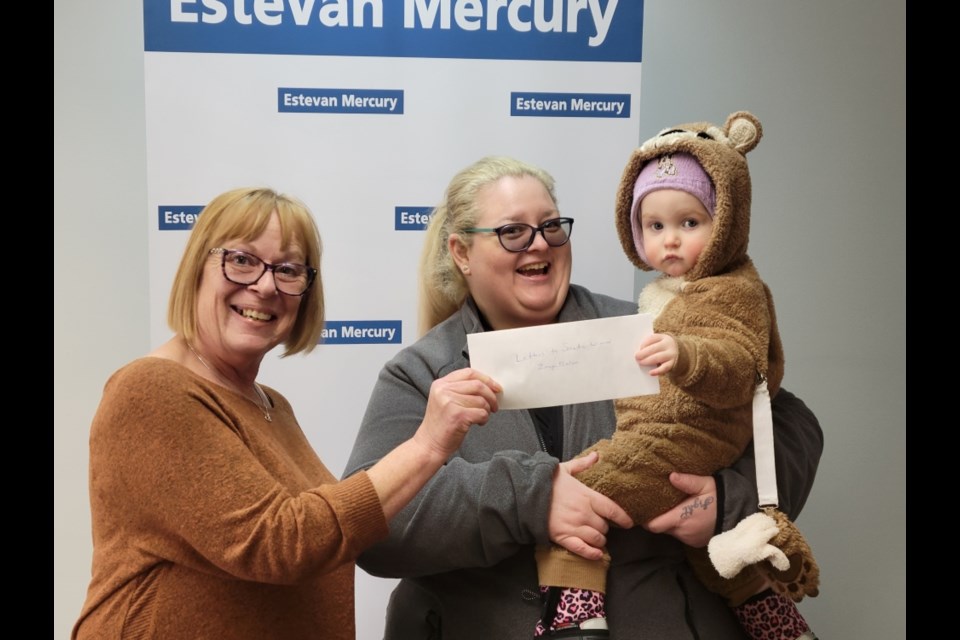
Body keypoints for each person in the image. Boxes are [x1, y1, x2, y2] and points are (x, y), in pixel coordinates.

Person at [343, 155, 824, 639]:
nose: (539, 244)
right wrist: (531, 500)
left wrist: (726, 500)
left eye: (552, 226)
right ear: (462, 252)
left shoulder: (647, 328)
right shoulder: (422, 374)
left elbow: (786, 419)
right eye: (513, 231)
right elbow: (372, 525)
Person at [71, 187, 501, 640]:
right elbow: (281, 544)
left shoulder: (271, 404)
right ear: (197, 267)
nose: (265, 284)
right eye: (241, 259)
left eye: (288, 269)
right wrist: (427, 446)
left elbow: (337, 532)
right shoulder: (153, 390)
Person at [533, 112, 819, 640]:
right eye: (654, 226)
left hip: (687, 437)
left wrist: (686, 356)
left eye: (690, 223)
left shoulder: (732, 290)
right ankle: (780, 626)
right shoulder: (666, 296)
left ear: (727, 221)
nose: (669, 241)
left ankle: (572, 617)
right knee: (719, 558)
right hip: (674, 436)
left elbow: (745, 367)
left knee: (582, 494)